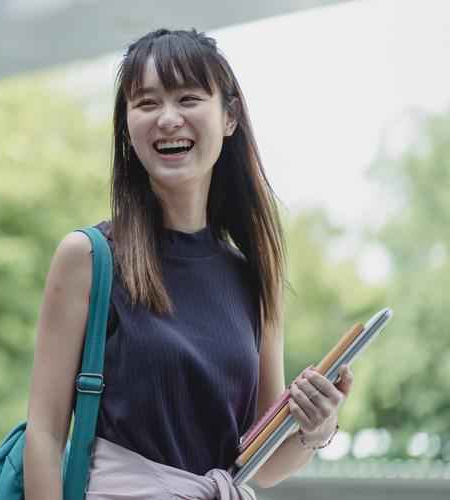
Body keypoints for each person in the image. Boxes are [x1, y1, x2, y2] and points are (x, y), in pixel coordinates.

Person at [23, 28, 354, 500]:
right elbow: (45, 434)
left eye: (188, 98)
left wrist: (315, 428)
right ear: (126, 125)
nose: (168, 119)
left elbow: (262, 466)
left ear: (229, 116)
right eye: (147, 103)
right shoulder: (88, 258)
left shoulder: (254, 277)